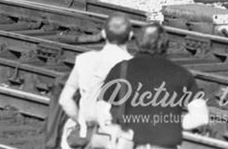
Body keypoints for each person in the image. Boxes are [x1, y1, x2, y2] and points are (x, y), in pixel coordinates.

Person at [98, 22, 208, 149]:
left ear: (137, 42)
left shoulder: (120, 69)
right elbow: (202, 118)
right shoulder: (181, 74)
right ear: (166, 44)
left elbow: (102, 108)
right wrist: (175, 124)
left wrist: (112, 128)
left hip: (131, 143)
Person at [58, 14, 133, 149]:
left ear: (103, 34)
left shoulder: (84, 59)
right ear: (130, 35)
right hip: (114, 136)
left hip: (85, 134)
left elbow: (65, 100)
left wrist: (80, 121)